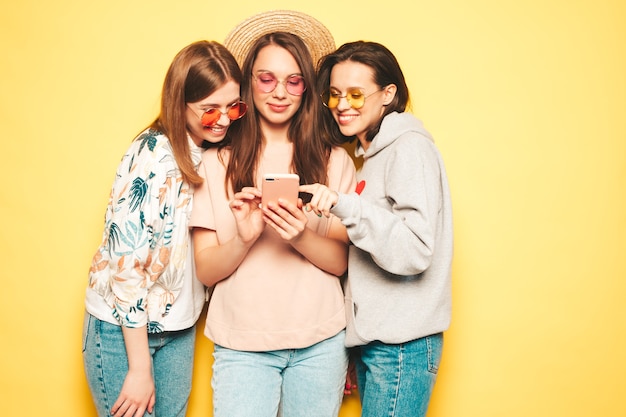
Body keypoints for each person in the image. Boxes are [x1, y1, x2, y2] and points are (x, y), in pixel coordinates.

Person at [190, 11, 357, 417]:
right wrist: (245, 238)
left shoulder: (335, 161)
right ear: (249, 83)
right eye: (266, 79)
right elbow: (205, 270)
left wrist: (299, 235)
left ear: (306, 89)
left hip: (321, 342)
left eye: (293, 80)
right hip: (242, 345)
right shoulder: (215, 163)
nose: (279, 91)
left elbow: (340, 263)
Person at [83, 40, 246, 417]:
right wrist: (139, 369)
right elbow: (125, 263)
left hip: (178, 326)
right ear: (180, 104)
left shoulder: (208, 154)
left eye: (233, 107)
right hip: (122, 331)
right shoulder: (151, 154)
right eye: (209, 111)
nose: (222, 119)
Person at [301, 41, 453, 417]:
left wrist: (344, 204)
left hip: (403, 346)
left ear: (388, 94)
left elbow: (416, 250)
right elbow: (370, 256)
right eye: (334, 95)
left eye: (355, 93)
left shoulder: (409, 149)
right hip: (383, 344)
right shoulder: (371, 157)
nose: (343, 105)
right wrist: (357, 340)